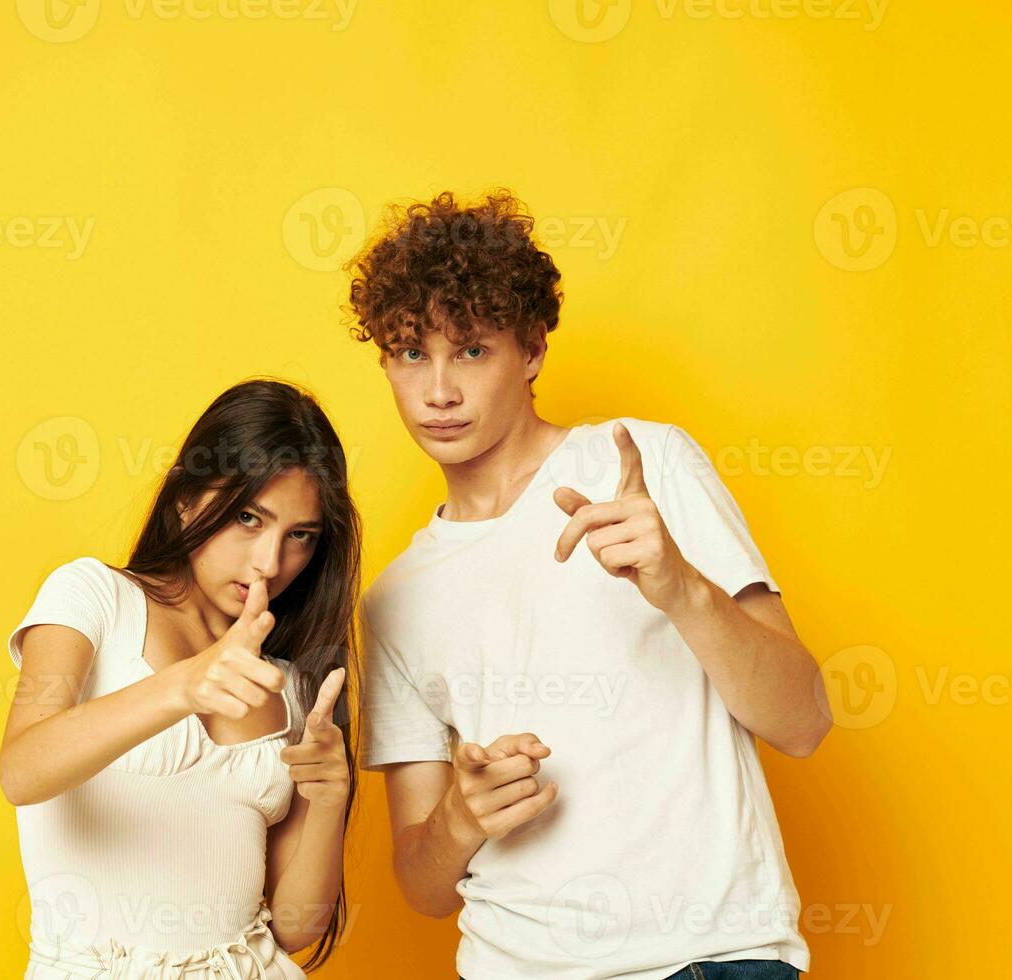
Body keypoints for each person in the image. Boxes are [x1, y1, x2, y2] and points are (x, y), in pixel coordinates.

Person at [345, 191, 832, 980]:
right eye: (410, 354)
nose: (438, 391)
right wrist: (463, 819)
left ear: (532, 350)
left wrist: (681, 588)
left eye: (471, 351)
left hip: (707, 960)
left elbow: (804, 720)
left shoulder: (645, 463)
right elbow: (421, 885)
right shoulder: (393, 599)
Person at [0, 379, 360, 979]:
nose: (270, 563)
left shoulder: (293, 688)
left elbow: (294, 928)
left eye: (300, 536)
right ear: (186, 498)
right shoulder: (94, 597)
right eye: (249, 517)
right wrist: (181, 687)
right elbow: (22, 769)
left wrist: (329, 798)